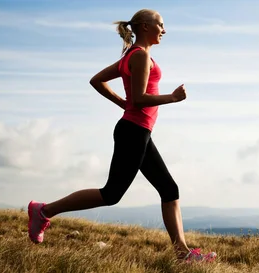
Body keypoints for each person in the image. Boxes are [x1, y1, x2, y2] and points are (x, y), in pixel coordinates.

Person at [27, 8, 217, 263]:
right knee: (111, 194)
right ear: (145, 26)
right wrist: (171, 98)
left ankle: (182, 254)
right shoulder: (139, 57)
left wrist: (121, 103)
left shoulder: (133, 56)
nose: (164, 29)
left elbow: (97, 80)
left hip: (139, 131)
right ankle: (43, 210)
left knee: (169, 189)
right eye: (160, 24)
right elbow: (138, 99)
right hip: (133, 132)